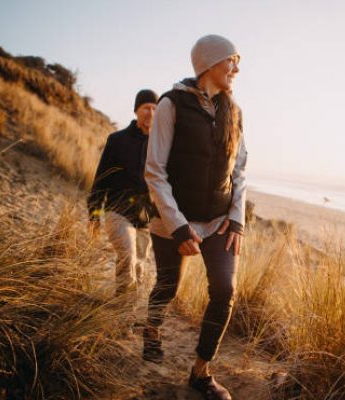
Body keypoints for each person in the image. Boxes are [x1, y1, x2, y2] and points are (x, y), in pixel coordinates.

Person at [143, 34, 247, 400]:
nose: (237, 68)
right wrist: (178, 225)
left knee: (225, 290)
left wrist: (237, 219)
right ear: (208, 64)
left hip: (219, 221)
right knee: (168, 286)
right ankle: (153, 329)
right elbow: (154, 172)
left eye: (238, 61)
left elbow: (240, 170)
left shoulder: (234, 111)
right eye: (230, 60)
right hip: (174, 219)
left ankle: (201, 372)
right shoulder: (171, 105)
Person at [87, 89, 158, 302]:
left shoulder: (160, 145)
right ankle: (123, 315)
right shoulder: (117, 140)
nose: (151, 113)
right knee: (128, 258)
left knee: (138, 266)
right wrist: (94, 214)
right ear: (136, 109)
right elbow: (102, 178)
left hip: (145, 219)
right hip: (117, 212)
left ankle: (126, 311)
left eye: (155, 109)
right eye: (146, 107)